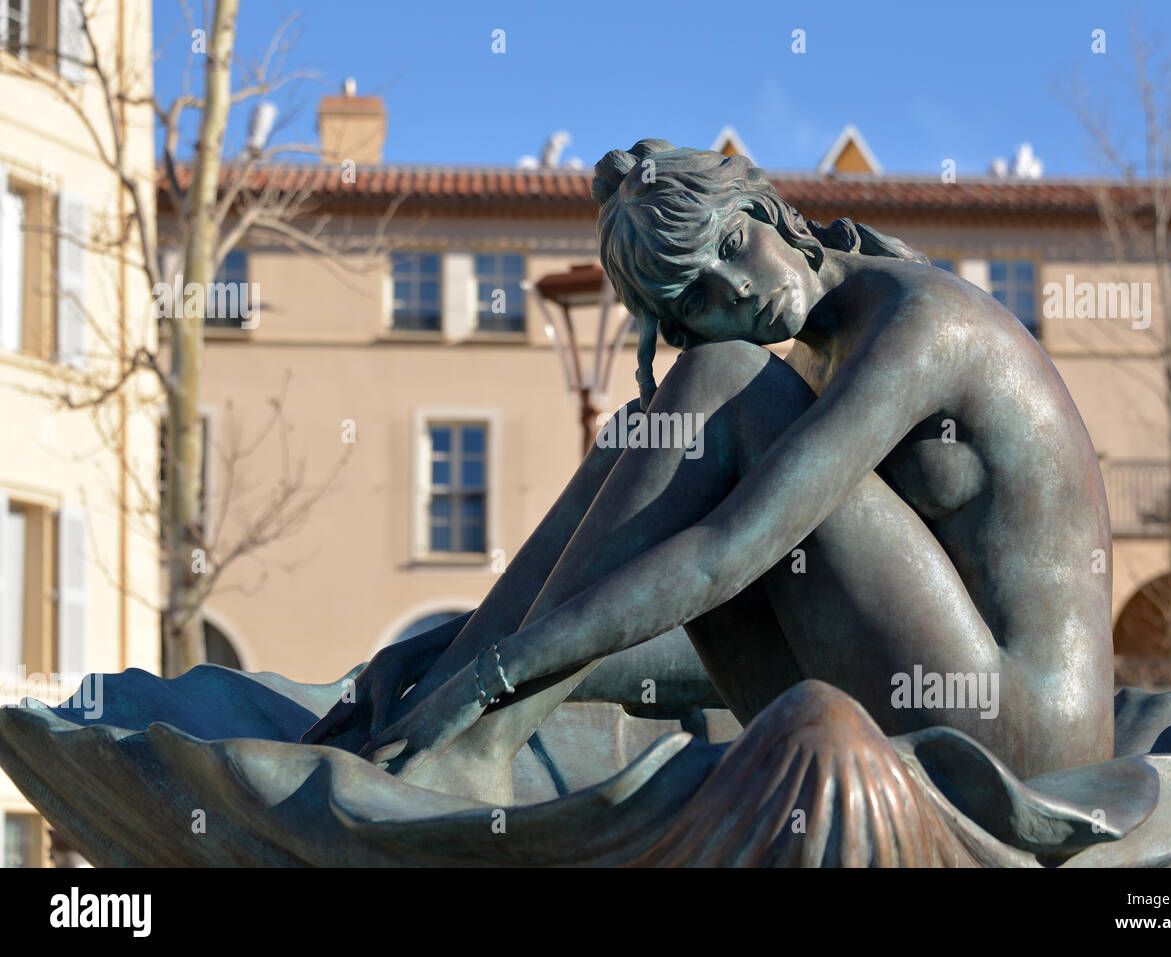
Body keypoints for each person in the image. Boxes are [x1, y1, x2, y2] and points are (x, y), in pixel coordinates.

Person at [303, 139, 1115, 804]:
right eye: (698, 298)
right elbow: (711, 603)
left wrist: (497, 672)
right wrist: (449, 657)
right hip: (934, 695)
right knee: (650, 440)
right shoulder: (826, 357)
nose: (737, 290)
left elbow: (727, 552)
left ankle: (477, 744)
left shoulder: (920, 323)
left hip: (1024, 736)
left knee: (722, 383)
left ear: (769, 213)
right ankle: (439, 734)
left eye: (731, 246)